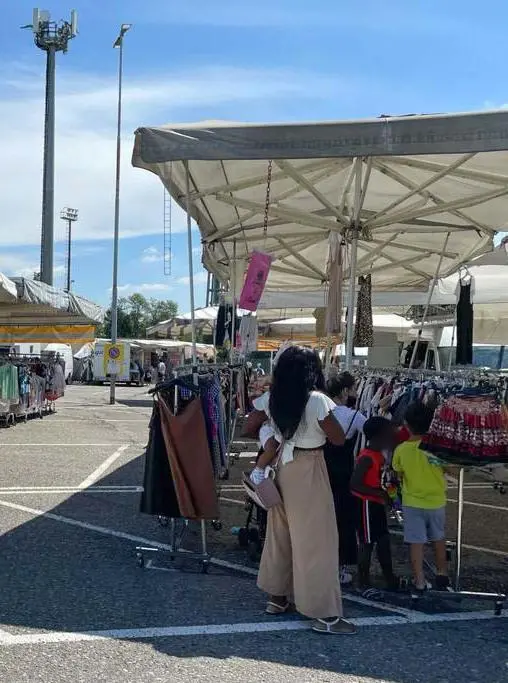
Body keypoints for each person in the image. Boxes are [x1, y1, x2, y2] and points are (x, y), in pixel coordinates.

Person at [244, 346, 356, 635]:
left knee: (280, 536)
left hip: (281, 468)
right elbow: (338, 438)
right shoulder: (317, 400)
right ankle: (324, 614)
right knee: (317, 542)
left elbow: (251, 423)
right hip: (309, 466)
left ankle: (277, 598)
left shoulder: (273, 398)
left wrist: (270, 435)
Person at [392, 402, 449, 597]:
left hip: (412, 502)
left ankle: (420, 580)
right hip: (436, 500)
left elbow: (398, 473)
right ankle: (442, 572)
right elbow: (446, 468)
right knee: (438, 537)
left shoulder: (401, 450)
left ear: (407, 425)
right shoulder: (434, 449)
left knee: (416, 543)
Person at [325, 373, 367, 585]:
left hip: (322, 472)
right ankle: (339, 568)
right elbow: (372, 431)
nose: (356, 393)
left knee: (323, 520)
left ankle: (321, 565)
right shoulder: (354, 416)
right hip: (344, 474)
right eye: (353, 389)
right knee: (343, 520)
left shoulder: (322, 411)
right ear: (344, 391)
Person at [350, 416, 399, 591]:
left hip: (375, 503)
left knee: (383, 540)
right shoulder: (367, 457)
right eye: (388, 434)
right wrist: (379, 493)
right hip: (365, 504)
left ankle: (389, 577)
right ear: (379, 436)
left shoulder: (379, 455)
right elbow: (355, 483)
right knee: (367, 542)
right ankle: (362, 580)